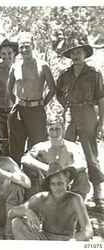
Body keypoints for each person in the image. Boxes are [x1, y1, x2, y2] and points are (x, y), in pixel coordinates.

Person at [57, 37, 104, 210]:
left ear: (85, 53)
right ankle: (67, 192)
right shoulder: (65, 75)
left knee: (91, 155)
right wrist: (67, 108)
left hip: (88, 113)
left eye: (79, 52)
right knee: (66, 153)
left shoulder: (94, 74)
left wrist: (101, 121)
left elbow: (101, 98)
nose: (75, 55)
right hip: (70, 114)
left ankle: (98, 194)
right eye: (72, 53)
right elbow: (59, 94)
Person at [9, 162, 94, 241]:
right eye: (53, 184)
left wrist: (75, 241)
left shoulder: (75, 199)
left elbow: (88, 230)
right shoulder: (42, 197)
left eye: (60, 183)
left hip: (66, 240)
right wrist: (27, 212)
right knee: (17, 223)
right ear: (49, 186)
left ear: (67, 182)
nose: (57, 188)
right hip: (44, 238)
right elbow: (11, 212)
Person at [8, 32, 56, 166]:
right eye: (21, 47)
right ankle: (17, 179)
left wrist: (42, 104)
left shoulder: (43, 65)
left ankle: (37, 180)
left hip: (36, 111)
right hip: (19, 111)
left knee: (38, 146)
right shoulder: (15, 66)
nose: (24, 50)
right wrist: (17, 104)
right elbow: (9, 90)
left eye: (27, 46)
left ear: (33, 46)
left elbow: (53, 89)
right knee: (16, 146)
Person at [21, 114, 91, 200]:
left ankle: (76, 204)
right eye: (51, 129)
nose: (54, 133)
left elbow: (82, 163)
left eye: (57, 129)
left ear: (63, 129)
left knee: (82, 174)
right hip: (46, 185)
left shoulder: (72, 146)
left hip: (65, 184)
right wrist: (46, 168)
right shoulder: (40, 146)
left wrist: (67, 171)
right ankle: (35, 204)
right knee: (29, 169)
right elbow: (25, 159)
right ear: (47, 130)